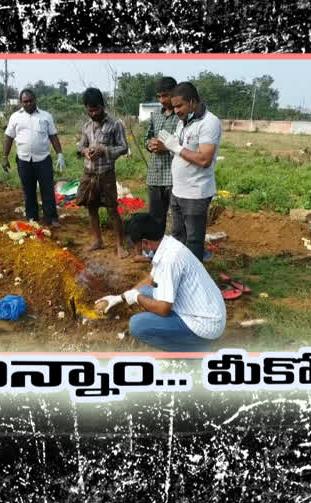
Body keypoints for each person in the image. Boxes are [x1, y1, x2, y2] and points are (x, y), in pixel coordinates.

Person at [95, 213, 226, 352]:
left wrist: (136, 298)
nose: (137, 250)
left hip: (204, 325)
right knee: (144, 291)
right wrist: (120, 298)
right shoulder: (167, 244)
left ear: (145, 242)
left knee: (137, 325)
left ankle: (191, 350)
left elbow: (163, 309)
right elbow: (150, 280)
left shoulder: (168, 261)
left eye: (137, 246)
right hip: (205, 311)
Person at [157, 82, 222, 261]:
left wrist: (175, 147)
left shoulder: (209, 122)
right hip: (178, 191)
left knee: (193, 240)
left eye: (179, 106)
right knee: (178, 236)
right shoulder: (183, 122)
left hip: (196, 192)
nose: (176, 110)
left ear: (192, 102)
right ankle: (180, 272)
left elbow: (204, 160)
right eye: (174, 106)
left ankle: (195, 279)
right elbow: (181, 150)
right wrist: (167, 144)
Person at [76, 87, 129, 259]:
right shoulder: (86, 126)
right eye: (89, 110)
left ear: (103, 106)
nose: (93, 113)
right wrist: (85, 151)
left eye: (96, 109)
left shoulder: (115, 125)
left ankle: (120, 245)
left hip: (106, 174)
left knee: (112, 209)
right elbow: (80, 146)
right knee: (91, 207)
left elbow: (123, 147)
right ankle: (97, 240)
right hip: (89, 173)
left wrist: (104, 149)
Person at [2, 89, 66, 227]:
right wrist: (4, 156)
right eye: (25, 101)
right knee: (28, 190)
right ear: (21, 102)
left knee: (47, 189)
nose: (28, 103)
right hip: (24, 161)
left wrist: (59, 153)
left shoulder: (46, 116)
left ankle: (51, 217)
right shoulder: (15, 117)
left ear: (35, 100)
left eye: (31, 100)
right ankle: (32, 217)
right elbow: (8, 137)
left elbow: (53, 136)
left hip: (43, 159)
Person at [134, 76, 179, 262]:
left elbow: (183, 145)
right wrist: (149, 145)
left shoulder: (181, 116)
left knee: (177, 219)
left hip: (173, 175)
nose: (162, 100)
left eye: (165, 96)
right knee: (155, 218)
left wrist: (166, 147)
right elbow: (147, 137)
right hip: (155, 174)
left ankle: (175, 255)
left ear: (174, 94)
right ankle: (156, 253)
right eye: (159, 96)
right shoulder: (156, 115)